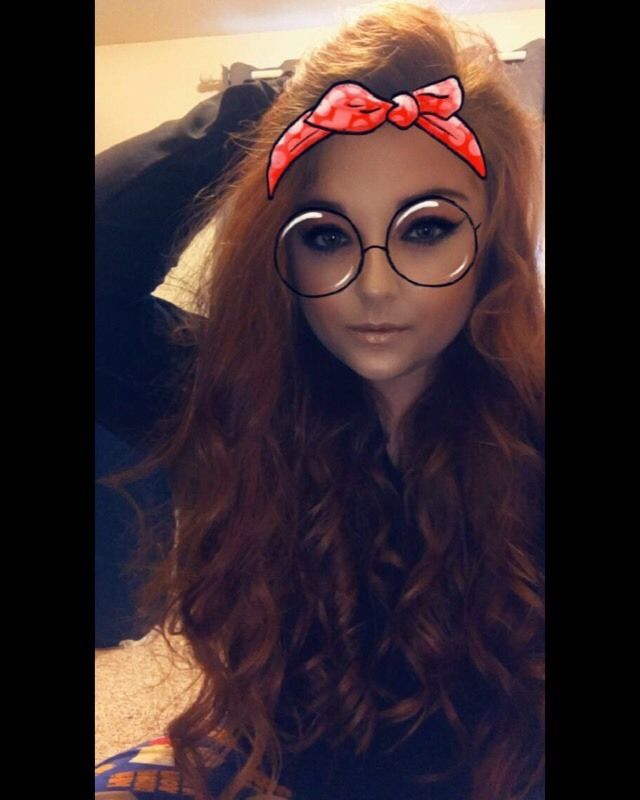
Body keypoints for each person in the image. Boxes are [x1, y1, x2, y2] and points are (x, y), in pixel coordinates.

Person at [95, 2, 545, 799]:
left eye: (425, 229)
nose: (374, 285)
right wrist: (250, 113)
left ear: (493, 244)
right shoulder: (240, 399)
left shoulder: (531, 422)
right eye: (327, 235)